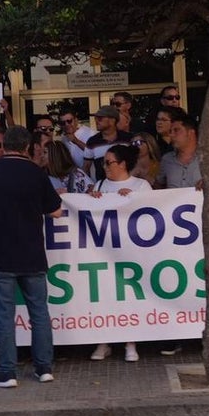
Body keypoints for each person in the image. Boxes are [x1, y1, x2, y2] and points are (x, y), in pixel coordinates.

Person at [0, 126, 63, 388]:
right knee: (40, 313)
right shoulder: (36, 172)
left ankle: (7, 372)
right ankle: (44, 368)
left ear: (5, 144)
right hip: (33, 254)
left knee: (4, 315)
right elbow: (56, 212)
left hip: (0, 254)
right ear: (27, 147)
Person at [85, 143, 152, 362]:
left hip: (132, 252)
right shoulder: (101, 184)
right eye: (103, 163)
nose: (104, 167)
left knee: (129, 297)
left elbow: (153, 214)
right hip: (105, 252)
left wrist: (133, 199)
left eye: (108, 162)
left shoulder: (141, 185)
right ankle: (103, 342)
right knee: (104, 296)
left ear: (123, 164)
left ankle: (130, 342)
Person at [156, 111, 209, 191]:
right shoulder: (167, 159)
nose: (171, 135)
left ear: (190, 133)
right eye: (170, 131)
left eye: (176, 130)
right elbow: (157, 187)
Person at [85, 105, 133, 180]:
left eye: (100, 118)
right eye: (95, 118)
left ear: (112, 120)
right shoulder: (92, 141)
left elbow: (138, 162)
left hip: (127, 185)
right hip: (103, 188)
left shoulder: (128, 138)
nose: (96, 121)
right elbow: (86, 167)